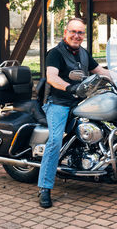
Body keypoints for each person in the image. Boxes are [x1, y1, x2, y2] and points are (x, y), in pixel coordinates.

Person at [37, 17, 110, 208]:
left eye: (80, 33)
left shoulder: (83, 54)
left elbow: (101, 70)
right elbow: (51, 77)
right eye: (73, 32)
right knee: (55, 140)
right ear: (65, 33)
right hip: (58, 103)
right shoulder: (55, 53)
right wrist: (69, 88)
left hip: (81, 103)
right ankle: (44, 187)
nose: (76, 36)